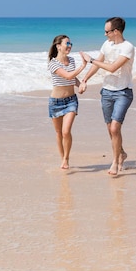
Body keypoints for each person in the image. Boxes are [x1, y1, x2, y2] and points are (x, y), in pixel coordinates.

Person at [79, 17, 134, 177]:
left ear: (116, 31)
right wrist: (84, 79)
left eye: (107, 31)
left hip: (123, 92)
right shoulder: (106, 45)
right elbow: (98, 65)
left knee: (115, 127)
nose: (105, 34)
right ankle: (121, 153)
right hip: (107, 92)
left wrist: (91, 60)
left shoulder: (128, 47)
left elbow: (111, 68)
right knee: (111, 129)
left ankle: (116, 161)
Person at [48, 35, 87, 170]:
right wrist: (83, 65)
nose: (70, 45)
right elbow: (67, 75)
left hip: (71, 101)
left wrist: (80, 84)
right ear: (58, 46)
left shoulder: (71, 60)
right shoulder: (52, 63)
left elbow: (73, 78)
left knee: (66, 131)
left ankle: (66, 158)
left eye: (71, 43)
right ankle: (62, 157)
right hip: (55, 102)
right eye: (67, 43)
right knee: (59, 133)